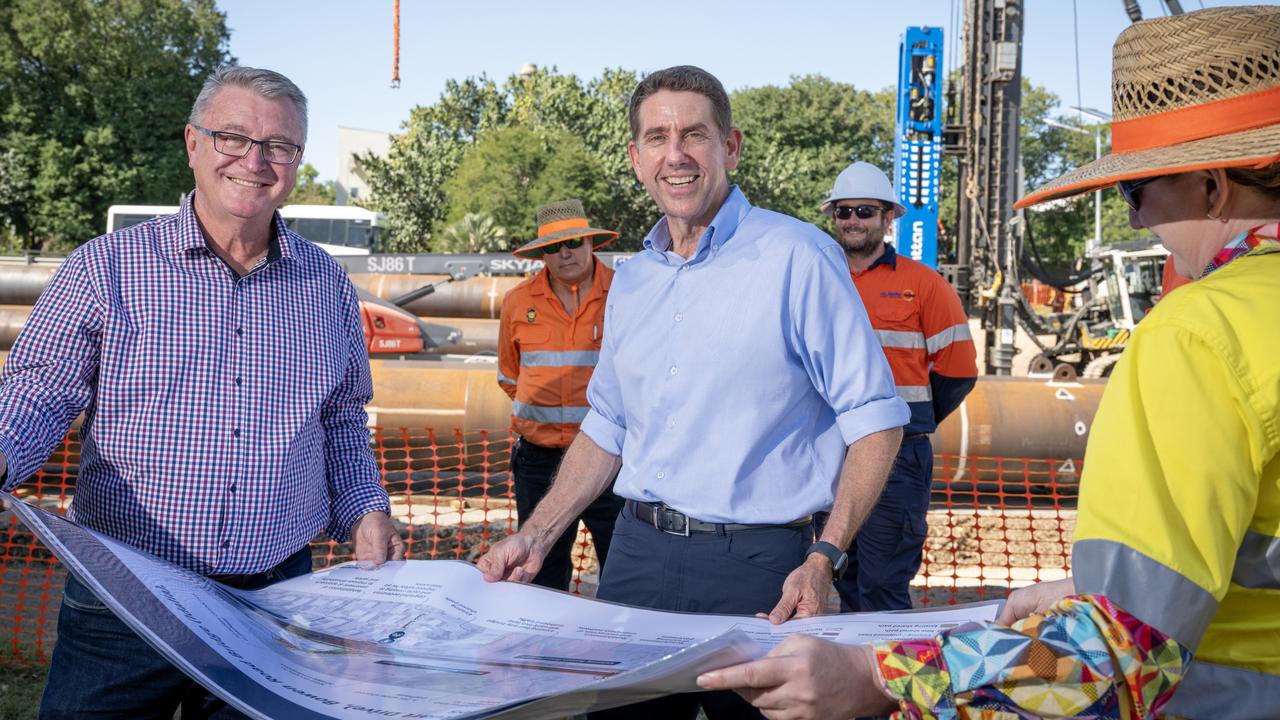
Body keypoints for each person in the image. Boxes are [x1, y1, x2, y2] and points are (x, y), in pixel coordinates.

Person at [698, 6, 1280, 718]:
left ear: (1214, 186)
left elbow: (1121, 654)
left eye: (1136, 189)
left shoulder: (1198, 334)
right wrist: (1090, 589)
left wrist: (882, 678)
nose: (1135, 219)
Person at [477, 65, 909, 719]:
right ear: (636, 157)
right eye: (656, 137)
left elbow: (875, 419)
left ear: (729, 148)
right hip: (636, 558)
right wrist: (537, 536)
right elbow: (608, 427)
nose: (675, 155)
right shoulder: (634, 282)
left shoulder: (797, 257)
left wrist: (824, 557)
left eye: (693, 135)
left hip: (763, 567)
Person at [0, 66, 402, 718]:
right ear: (192, 143)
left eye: (280, 146)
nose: (256, 160)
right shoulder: (107, 268)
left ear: (297, 162)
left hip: (271, 604)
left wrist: (364, 507)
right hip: (124, 602)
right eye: (232, 137)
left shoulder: (325, 284)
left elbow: (340, 417)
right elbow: (40, 388)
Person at [818, 161, 977, 612]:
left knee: (882, 586)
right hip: (826, 453)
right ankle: (848, 678)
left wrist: (904, 421)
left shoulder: (924, 285)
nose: (853, 221)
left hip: (897, 460)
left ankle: (886, 681)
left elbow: (959, 371)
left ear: (888, 218)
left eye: (864, 211)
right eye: (844, 212)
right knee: (838, 579)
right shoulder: (817, 279)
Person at [497, 199, 625, 591]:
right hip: (539, 461)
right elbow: (508, 375)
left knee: (622, 565)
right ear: (542, 254)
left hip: (612, 460)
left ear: (591, 243)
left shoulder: (625, 293)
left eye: (573, 243)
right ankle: (542, 649)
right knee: (541, 571)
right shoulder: (518, 301)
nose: (564, 253)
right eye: (553, 247)